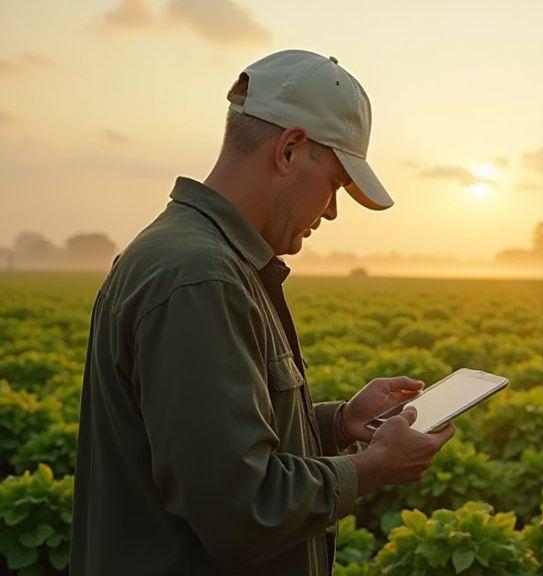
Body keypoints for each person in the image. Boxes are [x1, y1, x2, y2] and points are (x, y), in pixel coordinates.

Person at [70, 49, 455, 576]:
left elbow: (210, 452)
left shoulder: (198, 257)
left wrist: (339, 423)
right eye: (337, 183)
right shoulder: (200, 278)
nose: (332, 210)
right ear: (290, 150)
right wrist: (372, 468)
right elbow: (240, 507)